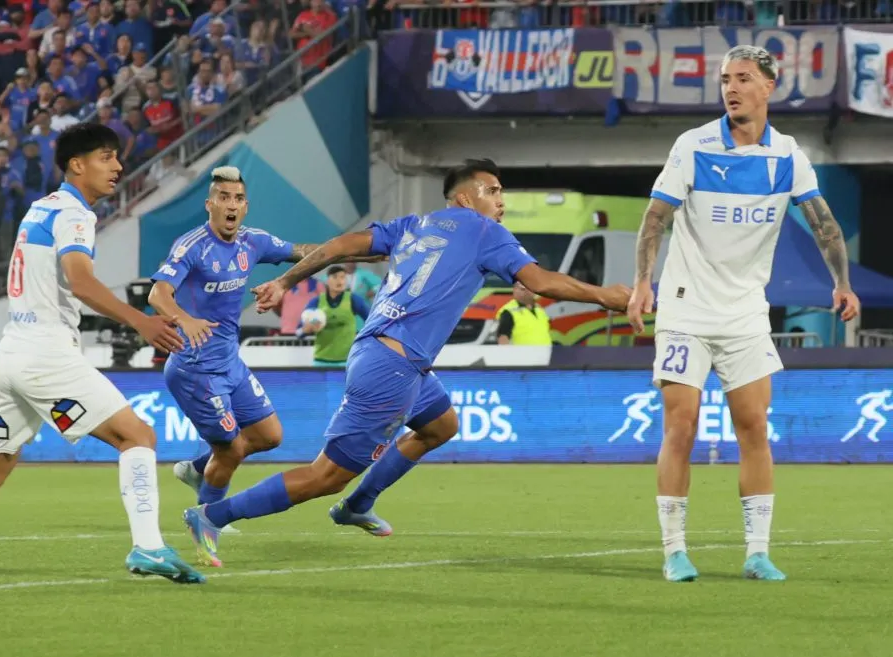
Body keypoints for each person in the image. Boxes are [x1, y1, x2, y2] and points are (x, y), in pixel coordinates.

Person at [179, 158, 631, 567]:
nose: (501, 201)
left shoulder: (413, 224)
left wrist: (283, 282)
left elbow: (338, 246)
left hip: (388, 355)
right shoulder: (484, 231)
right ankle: (212, 515)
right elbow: (541, 281)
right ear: (465, 197)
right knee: (326, 476)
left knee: (440, 426)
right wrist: (605, 296)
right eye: (493, 191)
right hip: (391, 368)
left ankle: (359, 504)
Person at [0, 122, 205, 585]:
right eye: (106, 157)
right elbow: (79, 281)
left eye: (117, 156)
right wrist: (141, 321)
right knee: (137, 437)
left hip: (10, 355)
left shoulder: (41, 208)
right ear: (77, 165)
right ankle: (148, 547)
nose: (118, 166)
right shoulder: (76, 215)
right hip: (45, 354)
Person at [626, 46, 861, 584]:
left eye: (743, 79)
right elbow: (655, 218)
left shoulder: (788, 157)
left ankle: (757, 552)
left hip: (745, 315)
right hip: (686, 309)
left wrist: (842, 283)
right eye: (725, 79)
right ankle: (674, 550)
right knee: (680, 425)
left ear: (768, 87)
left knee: (753, 427)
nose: (731, 88)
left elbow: (824, 225)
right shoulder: (693, 146)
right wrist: (643, 281)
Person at [147, 166, 378, 551]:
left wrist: (349, 249)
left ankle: (197, 469)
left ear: (245, 206)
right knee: (231, 448)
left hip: (229, 363)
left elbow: (301, 252)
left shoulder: (253, 242)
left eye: (238, 198)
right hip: (194, 368)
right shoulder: (192, 246)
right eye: (223, 197)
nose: (231, 205)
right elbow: (158, 294)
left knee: (269, 436)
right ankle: (208, 518)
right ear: (209, 204)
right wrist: (185, 320)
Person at [298, 264, 371, 367]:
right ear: (327, 280)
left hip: (347, 362)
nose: (339, 281)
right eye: (335, 277)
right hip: (320, 361)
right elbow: (298, 333)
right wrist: (305, 330)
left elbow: (371, 320)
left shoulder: (353, 300)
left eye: (343, 277)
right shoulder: (316, 302)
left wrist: (362, 337)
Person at [496, 281, 551, 345]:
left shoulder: (539, 309)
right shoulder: (508, 311)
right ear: (514, 290)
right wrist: (506, 354)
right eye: (521, 289)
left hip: (545, 353)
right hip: (522, 354)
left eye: (528, 288)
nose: (525, 292)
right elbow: (503, 337)